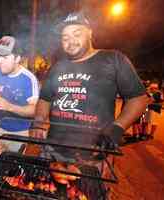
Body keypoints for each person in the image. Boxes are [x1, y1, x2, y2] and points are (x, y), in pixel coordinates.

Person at [30, 11, 149, 162]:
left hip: (93, 153)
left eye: (76, 34)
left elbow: (138, 98)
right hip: (52, 148)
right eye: (65, 38)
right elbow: (45, 99)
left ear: (90, 33)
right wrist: (39, 121)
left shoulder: (113, 59)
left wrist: (118, 127)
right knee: (43, 185)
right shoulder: (57, 67)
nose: (70, 41)